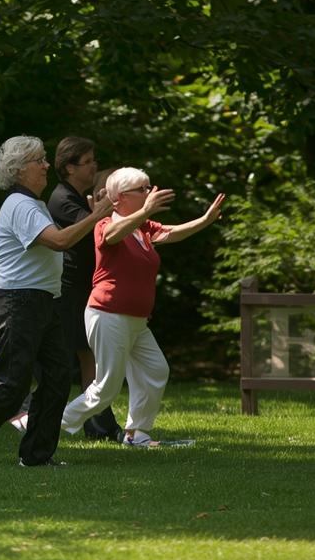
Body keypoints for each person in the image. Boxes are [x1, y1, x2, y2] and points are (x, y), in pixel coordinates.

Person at [0, 136, 115, 467]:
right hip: (15, 299)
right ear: (19, 170)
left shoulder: (34, 204)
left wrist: (94, 214)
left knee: (58, 376)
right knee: (13, 382)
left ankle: (36, 455)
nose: (46, 166)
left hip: (40, 299)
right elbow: (58, 241)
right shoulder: (20, 204)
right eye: (39, 160)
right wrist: (97, 216)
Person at [59, 168, 225, 447]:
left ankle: (137, 434)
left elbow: (171, 233)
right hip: (108, 315)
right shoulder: (105, 223)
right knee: (106, 389)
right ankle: (46, 422)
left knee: (155, 370)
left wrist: (205, 220)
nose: (148, 192)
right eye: (142, 189)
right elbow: (111, 235)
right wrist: (145, 210)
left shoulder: (143, 227)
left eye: (148, 187)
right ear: (121, 197)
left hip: (136, 320)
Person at [7, 136, 123, 440]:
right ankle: (27, 413)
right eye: (88, 161)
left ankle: (98, 424)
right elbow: (96, 232)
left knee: (83, 358)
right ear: (70, 167)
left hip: (81, 289)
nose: (94, 166)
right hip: (68, 292)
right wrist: (108, 211)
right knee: (66, 362)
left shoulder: (75, 197)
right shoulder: (62, 199)